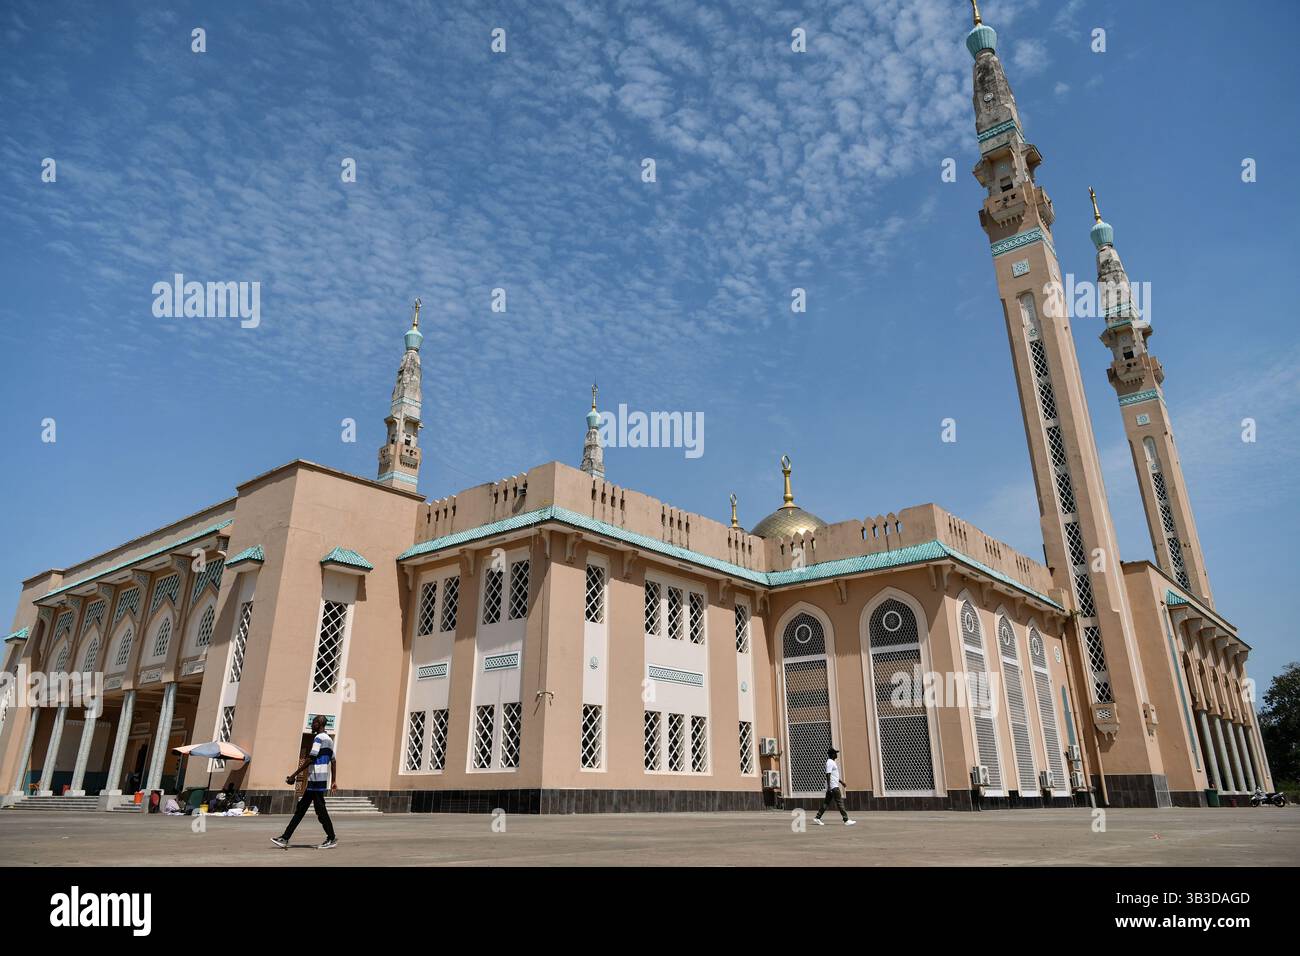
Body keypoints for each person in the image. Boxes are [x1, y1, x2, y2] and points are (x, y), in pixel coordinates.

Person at [271, 716, 338, 850]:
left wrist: (293, 775)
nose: (311, 725)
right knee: (302, 809)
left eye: (313, 723)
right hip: (319, 780)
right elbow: (334, 761)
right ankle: (285, 837)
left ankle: (331, 838)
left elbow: (310, 758)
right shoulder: (329, 740)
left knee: (320, 811)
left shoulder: (318, 738)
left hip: (316, 780)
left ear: (319, 724)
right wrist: (334, 780)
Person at [813, 746, 856, 826]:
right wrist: (829, 787)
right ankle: (846, 820)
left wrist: (841, 782)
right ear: (832, 754)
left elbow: (834, 775)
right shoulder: (829, 762)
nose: (836, 754)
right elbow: (828, 774)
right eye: (835, 753)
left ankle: (817, 818)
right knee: (840, 803)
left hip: (833, 786)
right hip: (833, 787)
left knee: (826, 803)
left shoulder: (832, 762)